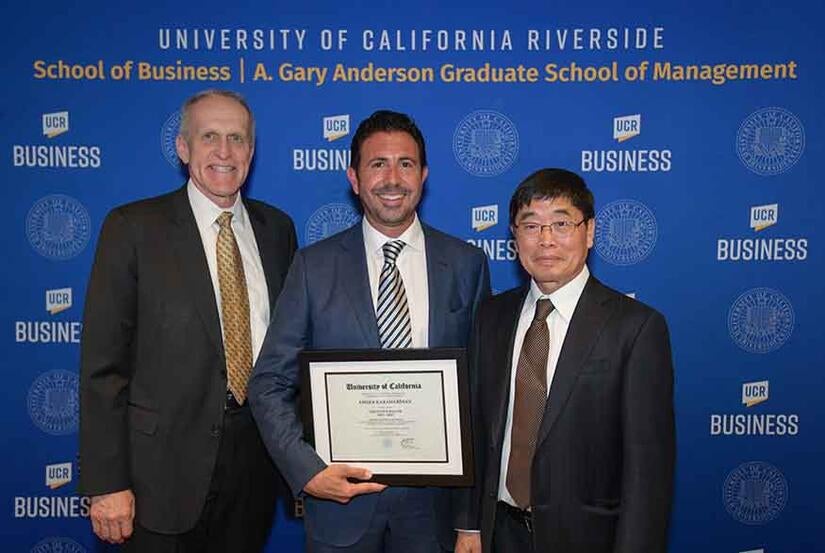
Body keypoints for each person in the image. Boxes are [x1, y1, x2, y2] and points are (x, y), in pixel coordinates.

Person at [248, 109, 491, 552]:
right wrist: (308, 470)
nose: (392, 178)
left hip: (434, 515)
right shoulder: (313, 267)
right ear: (354, 178)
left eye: (406, 164)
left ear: (424, 175)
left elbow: (479, 397)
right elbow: (268, 382)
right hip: (341, 510)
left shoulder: (466, 265)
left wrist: (471, 521)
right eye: (378, 164)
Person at [78, 89, 297, 552]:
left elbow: (292, 353)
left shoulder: (278, 230)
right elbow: (103, 367)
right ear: (183, 148)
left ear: (251, 152)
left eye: (237, 138)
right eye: (209, 136)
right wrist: (107, 482)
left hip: (254, 470)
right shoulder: (133, 228)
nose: (224, 152)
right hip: (158, 478)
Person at [455, 168, 675, 553]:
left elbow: (647, 474)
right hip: (498, 534)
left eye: (561, 224)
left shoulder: (636, 328)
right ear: (514, 237)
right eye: (531, 226)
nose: (546, 241)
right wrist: (470, 525)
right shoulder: (491, 317)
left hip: (588, 539)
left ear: (589, 232)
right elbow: (477, 430)